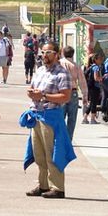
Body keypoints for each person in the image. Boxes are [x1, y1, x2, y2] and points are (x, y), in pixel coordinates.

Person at [24, 43, 74, 199]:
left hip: (51, 116)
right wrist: (31, 93)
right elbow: (33, 89)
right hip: (36, 115)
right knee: (38, 153)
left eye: (48, 52)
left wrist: (44, 96)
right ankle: (43, 185)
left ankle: (57, 188)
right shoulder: (40, 70)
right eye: (43, 52)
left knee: (52, 153)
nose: (44, 55)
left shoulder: (62, 73)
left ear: (56, 54)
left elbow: (66, 97)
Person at [60, 46, 88, 141]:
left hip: (61, 92)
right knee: (72, 118)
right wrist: (85, 95)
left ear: (63, 53)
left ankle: (60, 138)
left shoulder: (59, 64)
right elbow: (82, 81)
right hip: (73, 92)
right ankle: (69, 139)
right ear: (73, 54)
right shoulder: (76, 66)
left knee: (60, 117)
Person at [83, 56, 102, 125]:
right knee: (94, 103)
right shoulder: (96, 67)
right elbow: (96, 78)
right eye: (99, 59)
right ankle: (92, 119)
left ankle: (85, 118)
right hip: (95, 87)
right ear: (95, 59)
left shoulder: (91, 66)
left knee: (91, 103)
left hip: (90, 87)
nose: (100, 60)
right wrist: (101, 78)